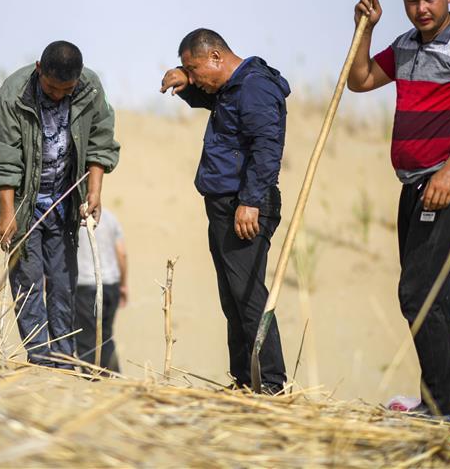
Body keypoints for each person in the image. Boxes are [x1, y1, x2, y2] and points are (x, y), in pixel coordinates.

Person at [348, 0, 450, 420]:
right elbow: (359, 80)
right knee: (434, 294)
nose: (421, 9)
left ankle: (443, 407)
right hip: (414, 188)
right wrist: (364, 29)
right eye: (412, 1)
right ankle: (448, 405)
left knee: (418, 291)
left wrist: (449, 173)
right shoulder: (405, 44)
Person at [160, 28, 290, 394]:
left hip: (244, 206)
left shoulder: (255, 87)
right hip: (223, 206)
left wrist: (249, 201)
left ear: (217, 57)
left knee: (248, 295)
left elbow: (267, 148)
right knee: (232, 297)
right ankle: (245, 379)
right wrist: (184, 78)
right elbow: (207, 97)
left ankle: (272, 384)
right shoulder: (229, 88)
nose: (196, 77)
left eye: (195, 68)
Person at [0, 41, 120, 369]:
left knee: (62, 283)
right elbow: (3, 156)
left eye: (66, 90)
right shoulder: (13, 95)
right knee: (28, 282)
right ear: (39, 69)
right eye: (51, 88)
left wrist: (94, 191)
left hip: (64, 202)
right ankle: (41, 361)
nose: (58, 95)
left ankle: (64, 360)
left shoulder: (89, 89)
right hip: (23, 202)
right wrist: (6, 212)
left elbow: (101, 139)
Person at [74, 208, 128, 372]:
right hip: (111, 284)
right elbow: (122, 253)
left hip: (85, 284)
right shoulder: (110, 218)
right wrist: (123, 284)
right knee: (106, 335)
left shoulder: (75, 218)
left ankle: (91, 379)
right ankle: (112, 376)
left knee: (87, 337)